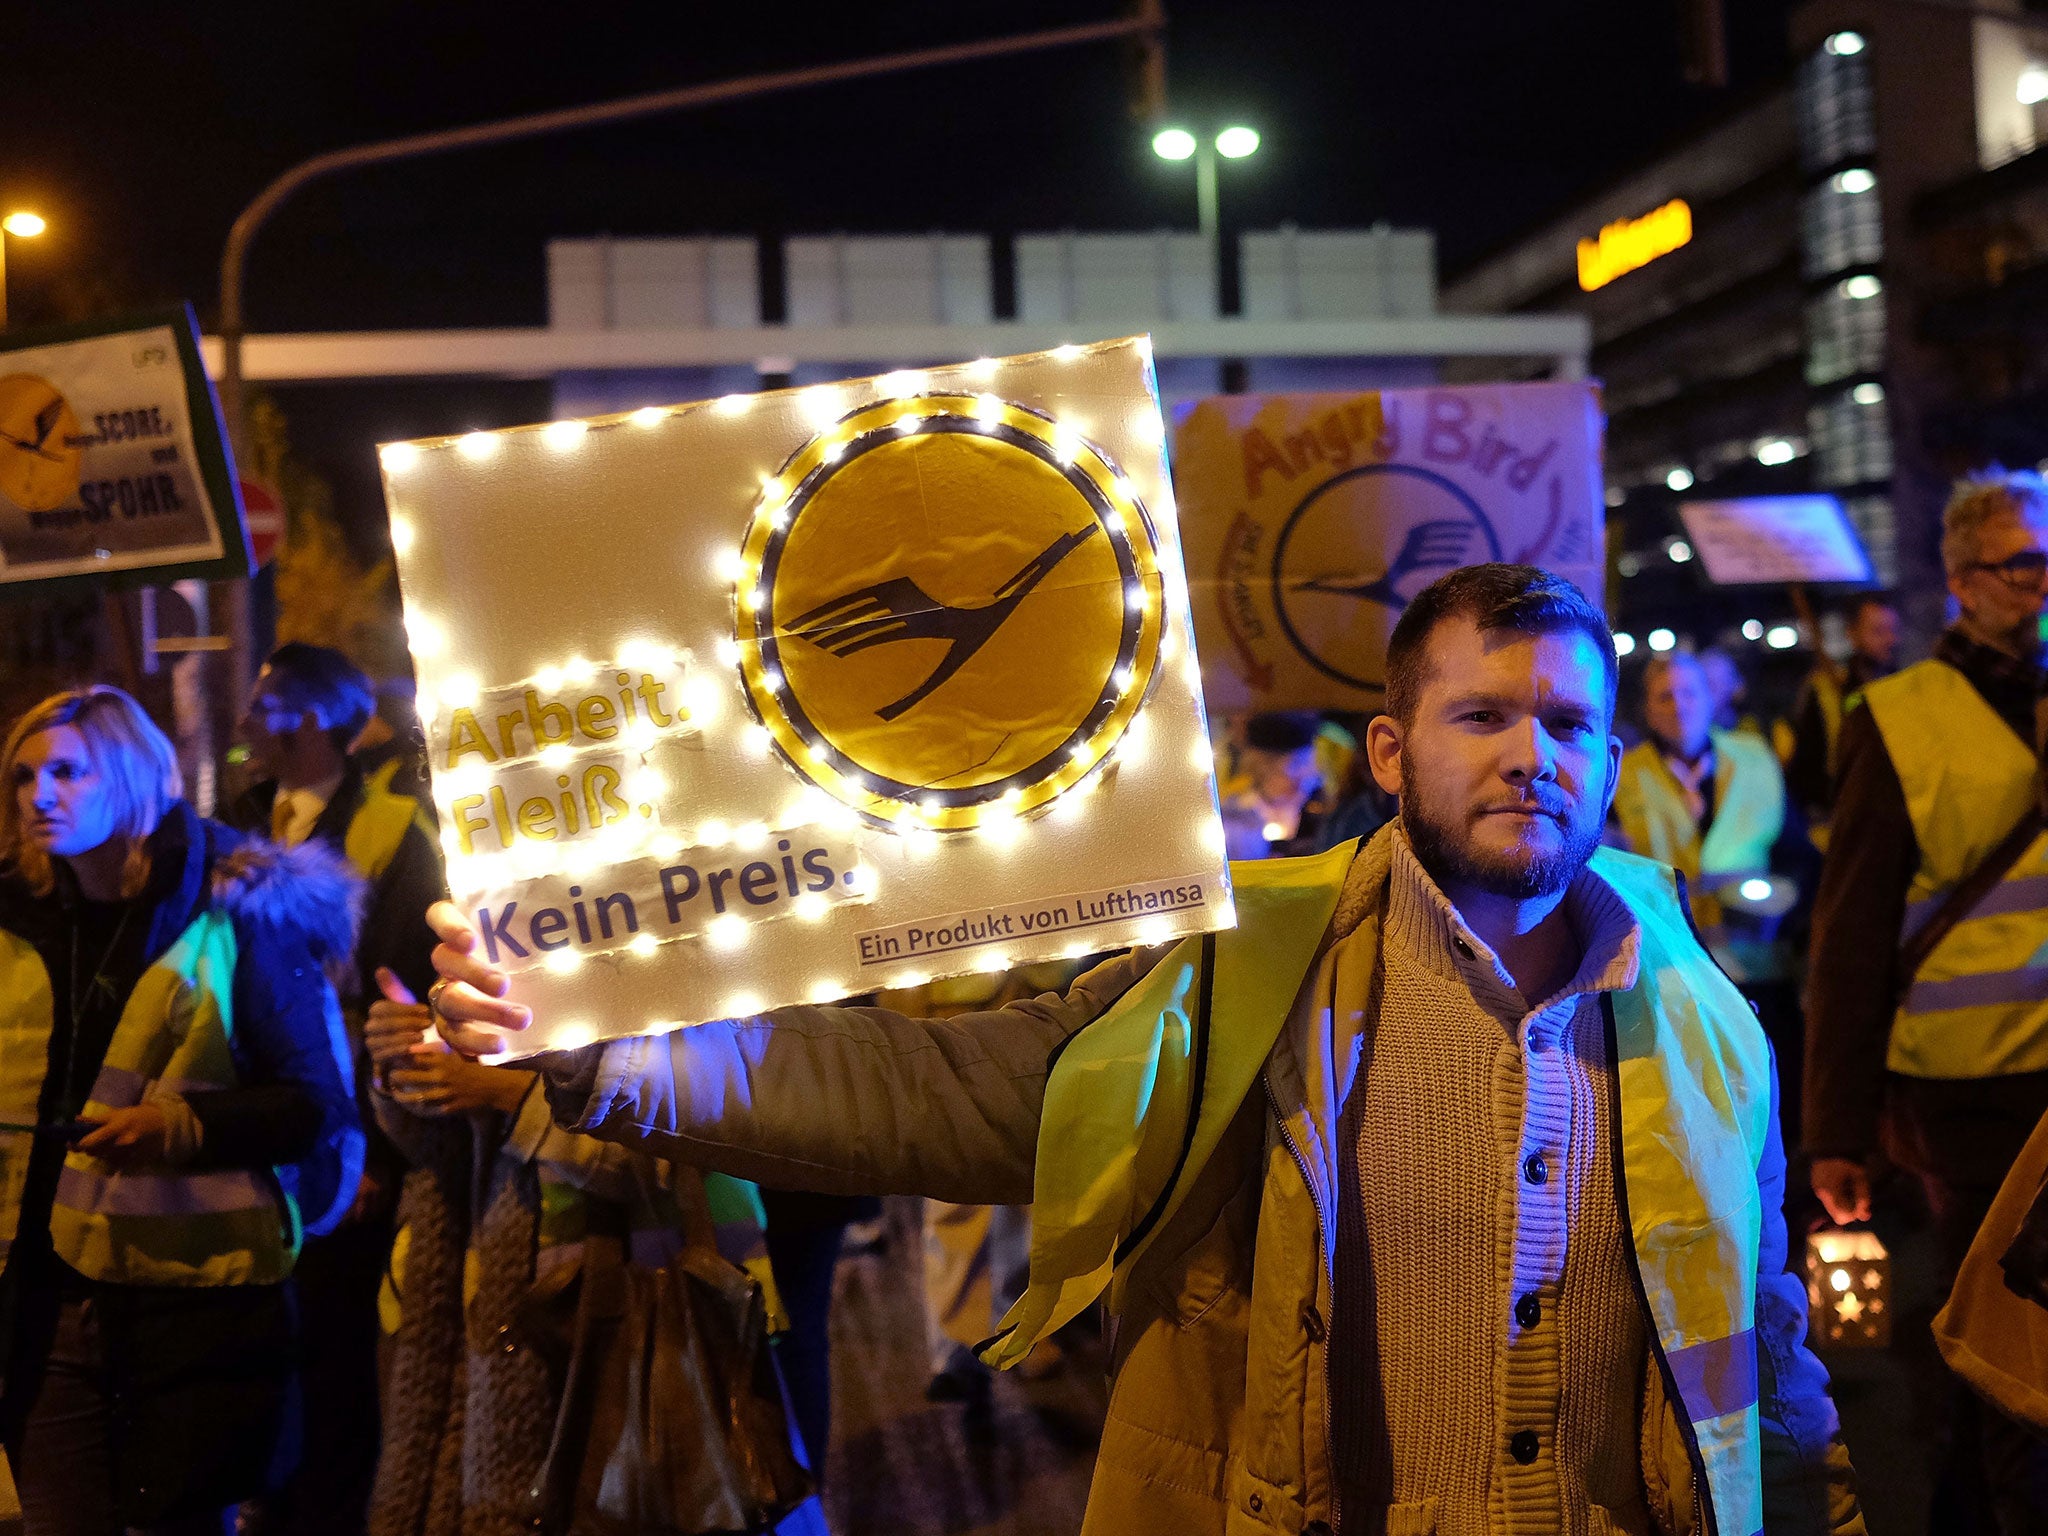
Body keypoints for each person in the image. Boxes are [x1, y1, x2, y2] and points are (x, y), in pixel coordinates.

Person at [426, 563, 1860, 1536]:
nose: (1528, 755)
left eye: (1565, 723)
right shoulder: (1254, 973)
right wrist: (611, 1049)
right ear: (1387, 750)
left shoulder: (1711, 1025)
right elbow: (943, 1096)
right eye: (1480, 715)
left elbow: (1761, 1343)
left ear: (1610, 760)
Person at [0, 686, 361, 1536]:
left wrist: (181, 1128)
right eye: (22, 777)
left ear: (132, 775)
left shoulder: (236, 908)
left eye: (66, 772)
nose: (38, 796)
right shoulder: (15, 914)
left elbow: (315, 1106)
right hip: (41, 1300)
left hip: (191, 1307)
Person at [1806, 471, 2048, 1531]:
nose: (2038, 583)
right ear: (1958, 580)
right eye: (2018, 564)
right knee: (1999, 1328)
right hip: (1966, 1088)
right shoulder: (1896, 717)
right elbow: (1849, 935)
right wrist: (1835, 1130)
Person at [229, 643, 444, 1536]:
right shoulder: (236, 816)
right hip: (251, 1118)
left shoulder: (391, 833)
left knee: (335, 1351)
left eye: (265, 704)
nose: (246, 720)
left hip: (339, 1133)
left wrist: (371, 1150)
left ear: (314, 719)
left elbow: (395, 999)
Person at [1610, 651, 1788, 958]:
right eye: (1665, 697)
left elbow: (1792, 852)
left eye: (1689, 693)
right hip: (1666, 951)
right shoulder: (1620, 775)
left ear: (1709, 700)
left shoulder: (1755, 759)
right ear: (1649, 710)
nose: (1678, 706)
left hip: (1754, 944)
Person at [1783, 594, 1902, 829]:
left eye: (1892, 630)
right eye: (1878, 631)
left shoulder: (1905, 687)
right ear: (1853, 633)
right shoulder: (1826, 688)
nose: (1889, 639)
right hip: (1840, 821)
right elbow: (1806, 766)